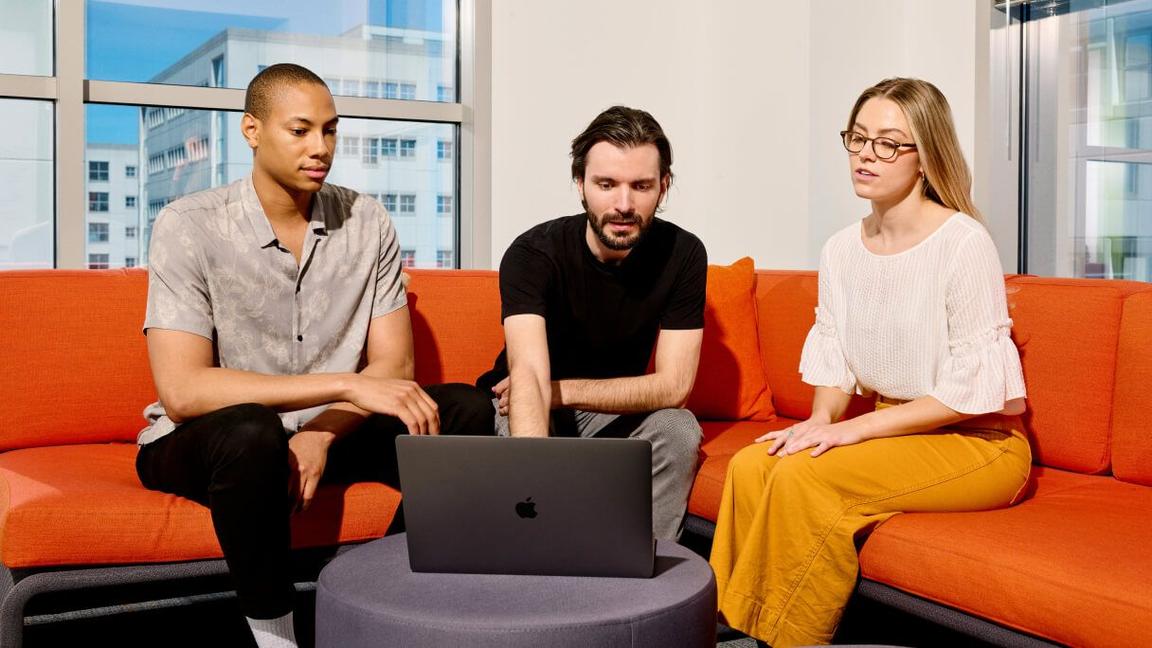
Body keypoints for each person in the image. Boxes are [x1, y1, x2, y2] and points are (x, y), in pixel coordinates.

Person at [137, 63, 493, 648]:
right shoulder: (190, 224)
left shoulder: (367, 220)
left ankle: (394, 606)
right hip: (215, 443)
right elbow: (184, 390)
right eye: (300, 130)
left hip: (326, 435)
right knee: (254, 431)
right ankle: (277, 635)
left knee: (464, 410)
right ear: (252, 130)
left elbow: (395, 371)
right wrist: (345, 386)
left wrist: (321, 435)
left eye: (330, 130)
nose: (320, 147)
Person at [709, 78, 1032, 647]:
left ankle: (784, 638)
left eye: (888, 143)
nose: (865, 154)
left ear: (926, 156)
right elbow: (834, 358)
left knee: (805, 481)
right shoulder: (840, 248)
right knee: (753, 466)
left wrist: (852, 431)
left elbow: (969, 392)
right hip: (895, 429)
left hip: (978, 442)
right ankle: (726, 627)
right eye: (857, 139)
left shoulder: (963, 242)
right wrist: (820, 423)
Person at [476, 106, 707, 541]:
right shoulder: (533, 254)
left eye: (641, 186)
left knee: (678, 427)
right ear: (580, 184)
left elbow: (675, 386)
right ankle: (540, 563)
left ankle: (645, 575)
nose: (623, 205)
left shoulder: (684, 253)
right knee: (521, 426)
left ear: (664, 187)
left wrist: (562, 392)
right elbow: (526, 374)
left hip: (605, 409)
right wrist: (542, 407)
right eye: (606, 185)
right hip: (527, 401)